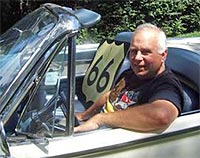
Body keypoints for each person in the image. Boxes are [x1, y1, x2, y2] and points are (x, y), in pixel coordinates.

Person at [74, 23, 184, 133]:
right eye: (134, 51)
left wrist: (100, 119)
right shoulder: (130, 74)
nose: (137, 58)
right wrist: (84, 115)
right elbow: (111, 95)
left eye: (146, 52)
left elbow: (161, 116)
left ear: (163, 55)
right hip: (97, 126)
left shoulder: (166, 85)